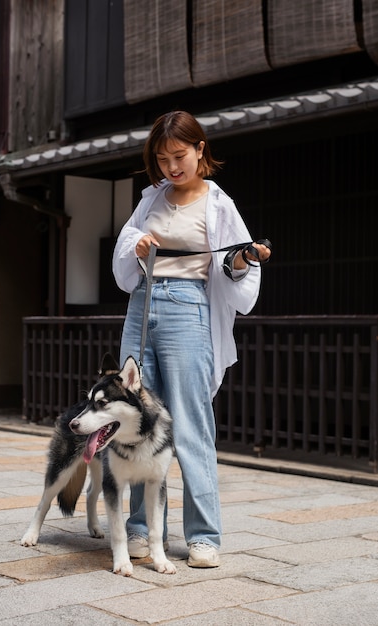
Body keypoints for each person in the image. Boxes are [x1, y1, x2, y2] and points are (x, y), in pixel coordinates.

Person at [112, 110, 271, 568]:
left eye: (179, 156)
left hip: (188, 308)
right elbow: (127, 251)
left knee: (191, 424)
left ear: (200, 150)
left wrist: (244, 260)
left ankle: (203, 536)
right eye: (162, 159)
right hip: (142, 304)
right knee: (135, 417)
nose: (171, 167)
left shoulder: (219, 205)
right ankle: (139, 528)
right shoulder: (151, 199)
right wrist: (138, 246)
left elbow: (234, 267)